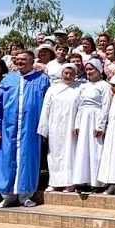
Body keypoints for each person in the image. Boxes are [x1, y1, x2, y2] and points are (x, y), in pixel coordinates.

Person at [0, 49, 50, 208]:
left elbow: (48, 106)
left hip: (31, 127)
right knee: (6, 158)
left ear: (32, 61)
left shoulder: (42, 79)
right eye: (17, 59)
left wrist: (45, 128)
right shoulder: (8, 79)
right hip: (8, 126)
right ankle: (7, 195)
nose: (19, 62)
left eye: (23, 59)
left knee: (28, 158)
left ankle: (25, 195)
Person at [38, 64, 81, 194]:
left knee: (70, 153)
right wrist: (44, 129)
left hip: (71, 127)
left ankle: (70, 183)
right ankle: (55, 183)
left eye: (71, 73)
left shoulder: (79, 88)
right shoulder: (53, 89)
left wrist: (78, 125)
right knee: (55, 154)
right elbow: (46, 108)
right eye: (66, 73)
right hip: (55, 126)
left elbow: (81, 108)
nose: (68, 76)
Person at [71, 59, 112, 191]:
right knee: (83, 149)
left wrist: (101, 126)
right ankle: (83, 180)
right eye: (87, 69)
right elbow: (80, 105)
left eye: (91, 69)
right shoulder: (84, 86)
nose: (89, 72)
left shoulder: (104, 85)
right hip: (84, 119)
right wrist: (77, 124)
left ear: (98, 70)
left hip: (96, 117)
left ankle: (97, 182)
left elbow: (106, 106)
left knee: (96, 149)